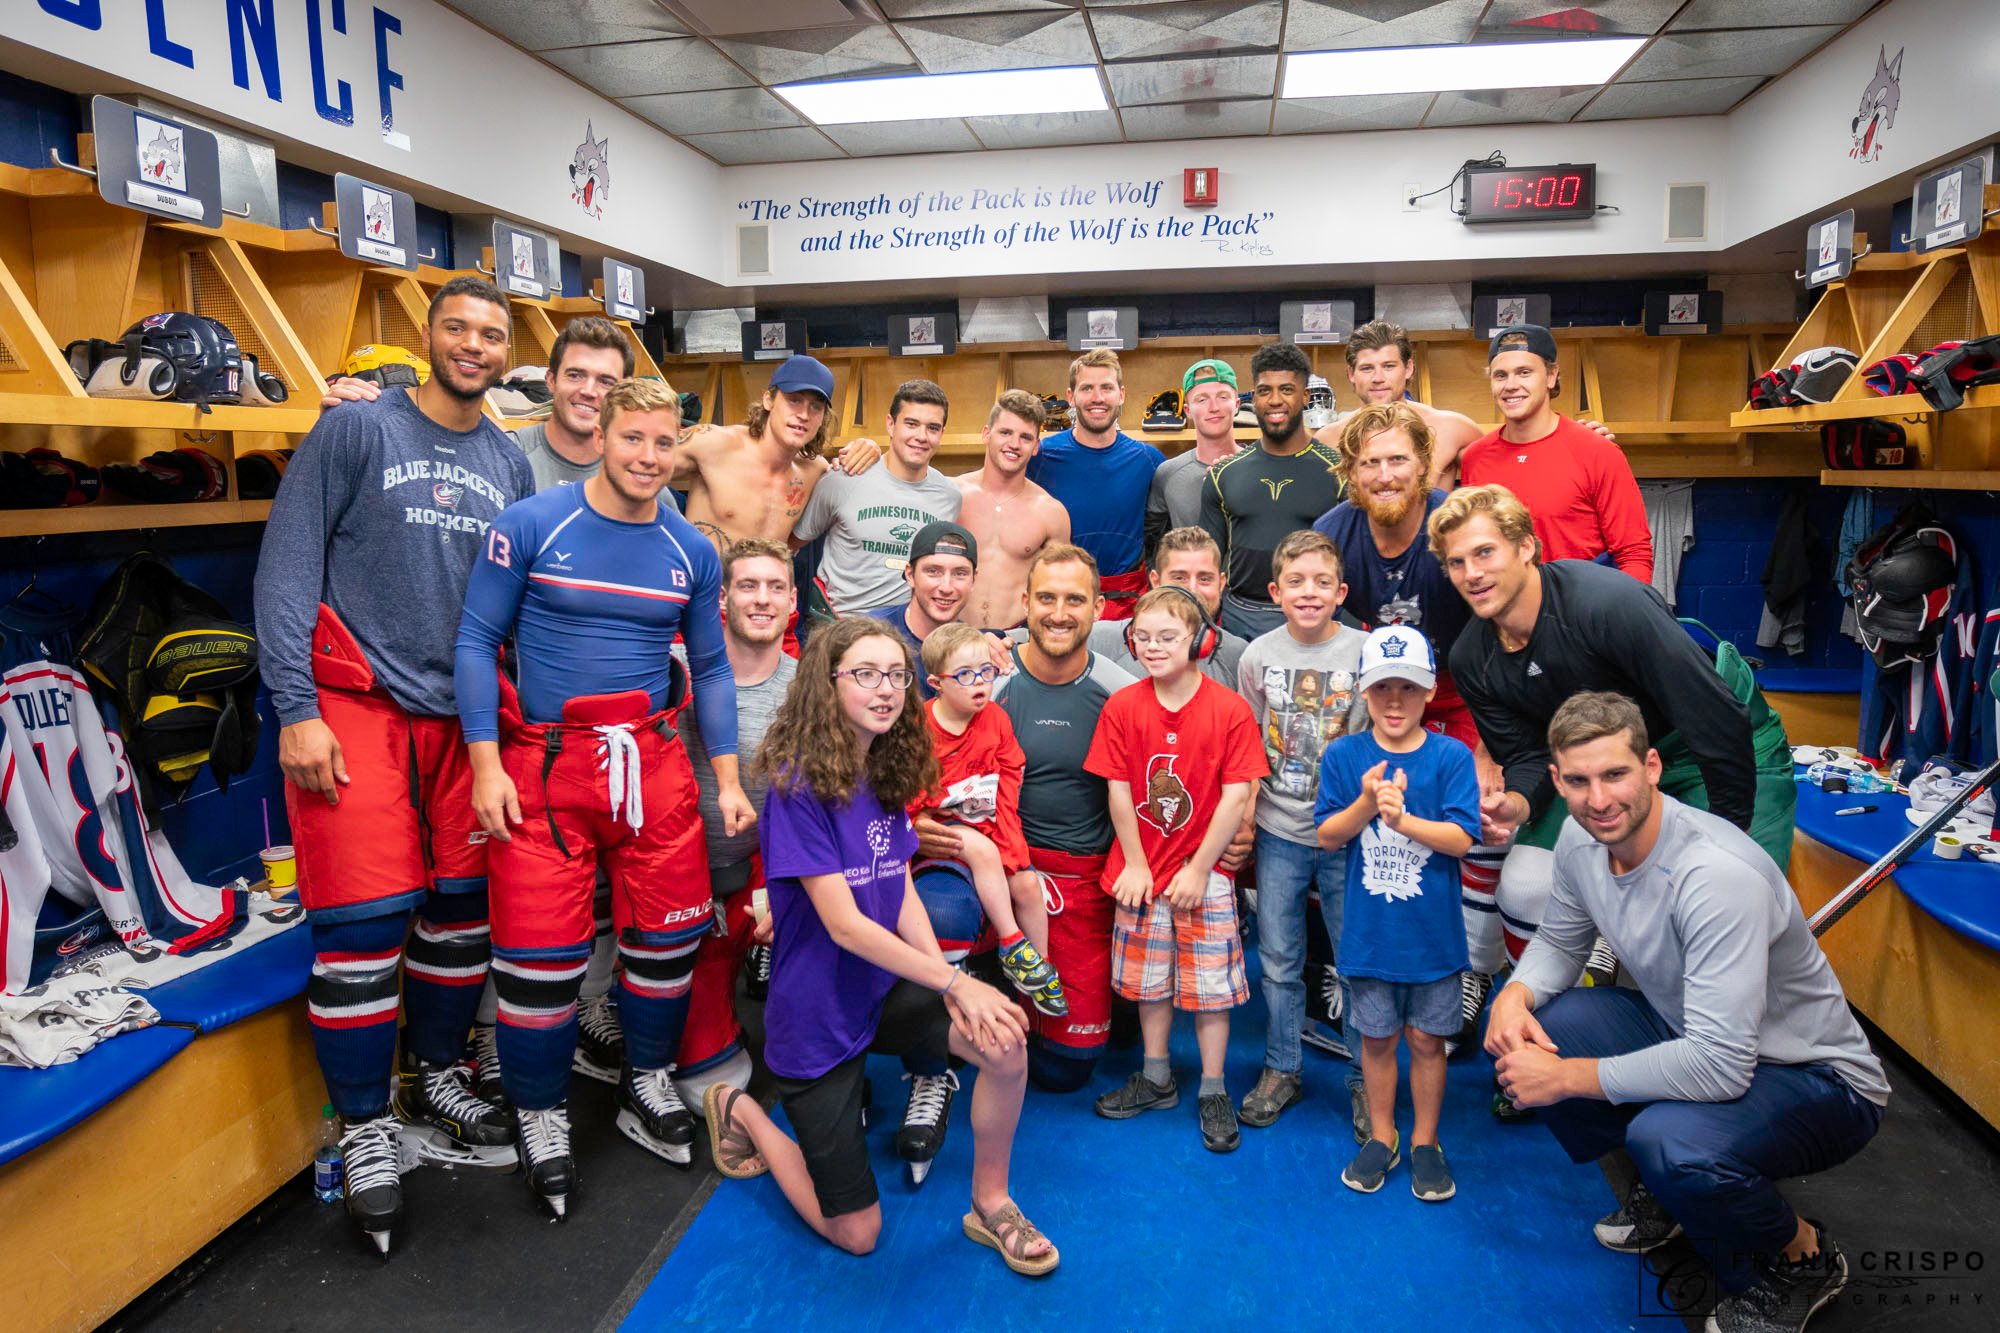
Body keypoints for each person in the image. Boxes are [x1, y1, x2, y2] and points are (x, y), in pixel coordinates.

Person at [255, 275, 532, 1253]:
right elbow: (287, 567)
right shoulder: (358, 428)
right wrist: (295, 707)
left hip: (461, 719)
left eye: (489, 333)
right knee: (364, 928)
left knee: (460, 913)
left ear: (503, 352)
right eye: (456, 327)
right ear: (427, 336)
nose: (472, 344)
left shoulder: (509, 459)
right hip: (352, 706)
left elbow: (521, 603)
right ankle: (368, 1122)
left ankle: (439, 1074)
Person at [1488, 692, 1886, 1330]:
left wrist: (1566, 1080)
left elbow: (1721, 1067)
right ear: (1557, 781)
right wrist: (1515, 992)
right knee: (1549, 1024)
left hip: (1819, 1081)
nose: (1600, 799)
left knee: (1666, 1139)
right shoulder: (1579, 837)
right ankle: (1673, 1196)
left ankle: (1801, 1258)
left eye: (1615, 774)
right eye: (1581, 781)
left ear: (1650, 767)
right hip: (1699, 1037)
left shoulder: (1712, 876)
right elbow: (1561, 942)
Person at [455, 377, 750, 1217]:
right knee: (539, 962)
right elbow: (476, 640)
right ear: (600, 432)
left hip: (653, 764)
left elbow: (715, 666)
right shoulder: (534, 523)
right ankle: (541, 1114)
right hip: (545, 769)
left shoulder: (690, 546)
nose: (649, 457)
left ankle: (646, 1083)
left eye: (664, 443)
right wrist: (484, 765)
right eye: (634, 439)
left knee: (664, 946)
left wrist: (726, 780)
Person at [701, 617, 1058, 1277]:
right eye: (865, 673)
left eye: (895, 673)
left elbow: (899, 892)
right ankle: (744, 1109)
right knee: (858, 1233)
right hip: (817, 1015)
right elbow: (845, 925)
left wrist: (947, 982)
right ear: (826, 684)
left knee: (1004, 1038)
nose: (886, 688)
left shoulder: (886, 768)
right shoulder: (796, 782)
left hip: (882, 986)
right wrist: (957, 984)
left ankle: (992, 1202)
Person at [1432, 485, 1796, 870]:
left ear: (1525, 547)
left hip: (1706, 747)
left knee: (1734, 887)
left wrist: (1724, 845)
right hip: (1602, 767)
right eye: (1456, 562)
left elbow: (1716, 722)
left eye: (1485, 552)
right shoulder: (1472, 659)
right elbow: (1530, 754)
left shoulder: (1607, 605)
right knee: (1533, 881)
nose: (1472, 573)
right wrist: (1517, 805)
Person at [1314, 401, 1503, 1053]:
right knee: (1372, 829)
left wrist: (1486, 744)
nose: (1386, 474)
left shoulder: (1453, 525)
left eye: (1399, 460)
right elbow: (1326, 628)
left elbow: (1496, 633)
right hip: (1385, 693)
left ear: (1425, 466)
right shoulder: (1335, 530)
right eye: (1370, 463)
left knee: (1469, 829)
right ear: (1351, 473)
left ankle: (1468, 968)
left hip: (1462, 688)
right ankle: (1361, 967)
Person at [1087, 585, 1267, 1152]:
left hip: (1203, 874)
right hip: (1140, 872)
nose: (1154, 646)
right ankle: (1157, 1074)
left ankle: (1213, 1087)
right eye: (1143, 637)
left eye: (1168, 636)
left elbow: (1238, 796)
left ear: (1200, 640)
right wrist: (1136, 864)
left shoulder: (1229, 709)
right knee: (1149, 984)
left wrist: (1200, 869)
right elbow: (1118, 791)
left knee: (1210, 989)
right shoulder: (1122, 705)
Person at [1315, 626, 1480, 1202]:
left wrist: (1402, 819)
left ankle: (1426, 1141)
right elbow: (1329, 836)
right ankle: (1383, 1135)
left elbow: (1462, 839)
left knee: (1429, 1043)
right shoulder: (1345, 755)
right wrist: (1367, 802)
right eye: (1381, 687)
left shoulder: (1451, 756)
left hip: (1434, 941)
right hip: (1369, 939)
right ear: (1362, 691)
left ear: (1429, 692)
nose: (1393, 701)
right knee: (1378, 1042)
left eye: (1407, 688)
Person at [986, 544, 1137, 1093]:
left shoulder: (1120, 692)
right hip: (999, 877)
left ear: (1098, 608)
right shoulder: (989, 682)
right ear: (1024, 603)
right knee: (985, 1042)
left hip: (1082, 884)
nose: (1059, 612)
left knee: (1064, 1072)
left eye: (1075, 599)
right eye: (1046, 597)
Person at [1234, 531, 1367, 1134]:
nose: (1308, 593)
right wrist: (1244, 820)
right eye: (1295, 582)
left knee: (1356, 960)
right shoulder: (1257, 656)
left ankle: (1370, 1079)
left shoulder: (1367, 653)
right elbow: (1248, 748)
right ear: (1274, 592)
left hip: (1349, 834)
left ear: (1340, 592)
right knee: (1281, 959)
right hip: (1278, 830)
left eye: (1321, 583)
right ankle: (1282, 1066)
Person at [672, 538, 799, 1110]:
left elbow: (820, 804)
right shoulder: (673, 667)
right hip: (670, 865)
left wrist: (786, 887)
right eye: (748, 585)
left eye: (776, 587)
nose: (762, 599)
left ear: (794, 601)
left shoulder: (809, 687)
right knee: (702, 1069)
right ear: (721, 597)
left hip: (758, 865)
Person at [671, 354, 879, 651]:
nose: (804, 414)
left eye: (815, 407)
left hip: (770, 615)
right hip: (704, 607)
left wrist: (868, 448)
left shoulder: (816, 472)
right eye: (794, 400)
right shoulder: (714, 444)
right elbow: (639, 464)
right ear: (769, 399)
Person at [914, 623, 1064, 1015]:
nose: (980, 682)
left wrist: (999, 805)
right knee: (979, 850)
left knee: (1029, 884)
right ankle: (1012, 942)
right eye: (965, 675)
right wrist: (941, 803)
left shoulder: (995, 717)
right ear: (936, 683)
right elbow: (907, 786)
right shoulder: (919, 726)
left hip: (992, 819)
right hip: (944, 825)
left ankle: (1039, 968)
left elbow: (1013, 765)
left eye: (986, 671)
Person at [1457, 325, 1652, 583]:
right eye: (1500, 375)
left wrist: (1624, 617)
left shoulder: (1598, 451)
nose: (1511, 385)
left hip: (1580, 613)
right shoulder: (1475, 458)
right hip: (1505, 614)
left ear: (1551, 376)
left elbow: (1634, 553)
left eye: (1524, 373)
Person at [1200, 341, 1345, 639]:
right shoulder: (1224, 474)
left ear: (1305, 397)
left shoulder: (1339, 473)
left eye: (1287, 390)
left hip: (1315, 617)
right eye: (1265, 391)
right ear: (1254, 397)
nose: (1275, 400)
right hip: (1240, 620)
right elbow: (1208, 562)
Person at [791, 378, 961, 617]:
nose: (921, 436)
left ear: (942, 433)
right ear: (890, 424)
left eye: (932, 428)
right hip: (841, 628)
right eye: (911, 424)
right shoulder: (844, 478)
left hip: (906, 633)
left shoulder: (950, 497)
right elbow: (791, 545)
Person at [1027, 349, 1165, 620]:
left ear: (1121, 395)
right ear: (1071, 397)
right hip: (1060, 601)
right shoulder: (1040, 456)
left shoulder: (1148, 461)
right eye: (1087, 388)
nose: (1097, 398)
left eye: (1107, 388)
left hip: (1129, 603)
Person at [1315, 320, 1484, 488]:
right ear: (1351, 374)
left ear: (1408, 368)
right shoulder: (1327, 440)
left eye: (1388, 366)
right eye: (1367, 368)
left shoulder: (1451, 429)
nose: (1378, 378)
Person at [956, 390, 1071, 630]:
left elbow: (1057, 588)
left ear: (1037, 446)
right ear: (986, 434)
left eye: (1026, 437)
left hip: (1017, 640)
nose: (1014, 445)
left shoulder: (1051, 512)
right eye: (1005, 432)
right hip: (953, 635)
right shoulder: (951, 495)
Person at [1083, 526, 1249, 690]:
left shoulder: (1237, 654)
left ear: (1221, 584)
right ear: (1155, 582)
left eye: (1204, 579)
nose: (1192, 589)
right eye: (1179, 578)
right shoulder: (1100, 641)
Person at [1145, 359, 1243, 560]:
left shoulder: (1258, 468)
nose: (1214, 407)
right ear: (1188, 411)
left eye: (1222, 397)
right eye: (1202, 399)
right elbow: (1152, 542)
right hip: (1188, 588)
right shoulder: (1167, 473)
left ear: (1237, 404)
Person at [867, 521, 977, 694]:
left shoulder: (975, 649)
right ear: (910, 575)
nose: (946, 587)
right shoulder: (872, 632)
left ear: (973, 580)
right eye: (933, 571)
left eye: (960, 574)